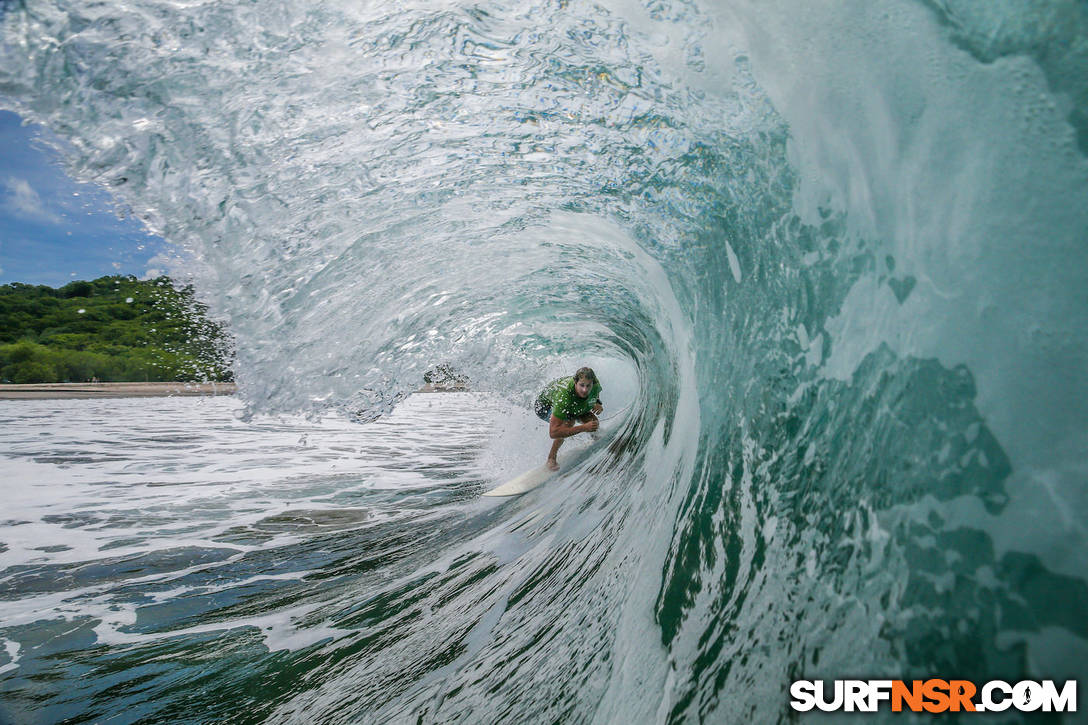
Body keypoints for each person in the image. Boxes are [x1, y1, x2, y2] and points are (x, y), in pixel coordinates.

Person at [534, 367, 603, 471]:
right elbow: (554, 432)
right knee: (568, 422)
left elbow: (596, 390)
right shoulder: (564, 397)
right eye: (581, 385)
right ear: (576, 382)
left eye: (588, 386)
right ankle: (551, 458)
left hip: (573, 401)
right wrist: (583, 427)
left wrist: (598, 402)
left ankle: (597, 439)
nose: (585, 390)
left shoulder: (595, 382)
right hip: (545, 406)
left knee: (593, 422)